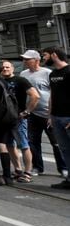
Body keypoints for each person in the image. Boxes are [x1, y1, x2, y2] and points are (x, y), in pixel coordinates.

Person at [20, 50, 64, 177]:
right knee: (33, 142)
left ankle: (63, 168)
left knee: (56, 142)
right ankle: (38, 167)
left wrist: (52, 113)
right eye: (24, 59)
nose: (25, 61)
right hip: (31, 113)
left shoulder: (47, 73)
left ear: (36, 60)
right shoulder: (23, 74)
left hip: (46, 113)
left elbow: (55, 92)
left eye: (27, 59)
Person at [0, 60, 38, 182]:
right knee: (10, 145)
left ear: (12, 68)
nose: (5, 69)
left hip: (18, 118)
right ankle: (18, 170)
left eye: (7, 67)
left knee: (23, 145)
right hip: (5, 118)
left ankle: (28, 172)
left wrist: (26, 111)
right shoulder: (0, 81)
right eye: (3, 67)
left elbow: (35, 95)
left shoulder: (20, 80)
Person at [43, 47, 70, 190]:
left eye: (45, 55)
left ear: (54, 55)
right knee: (65, 149)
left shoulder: (69, 71)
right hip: (56, 117)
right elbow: (52, 95)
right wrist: (50, 115)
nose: (43, 58)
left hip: (68, 117)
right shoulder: (52, 74)